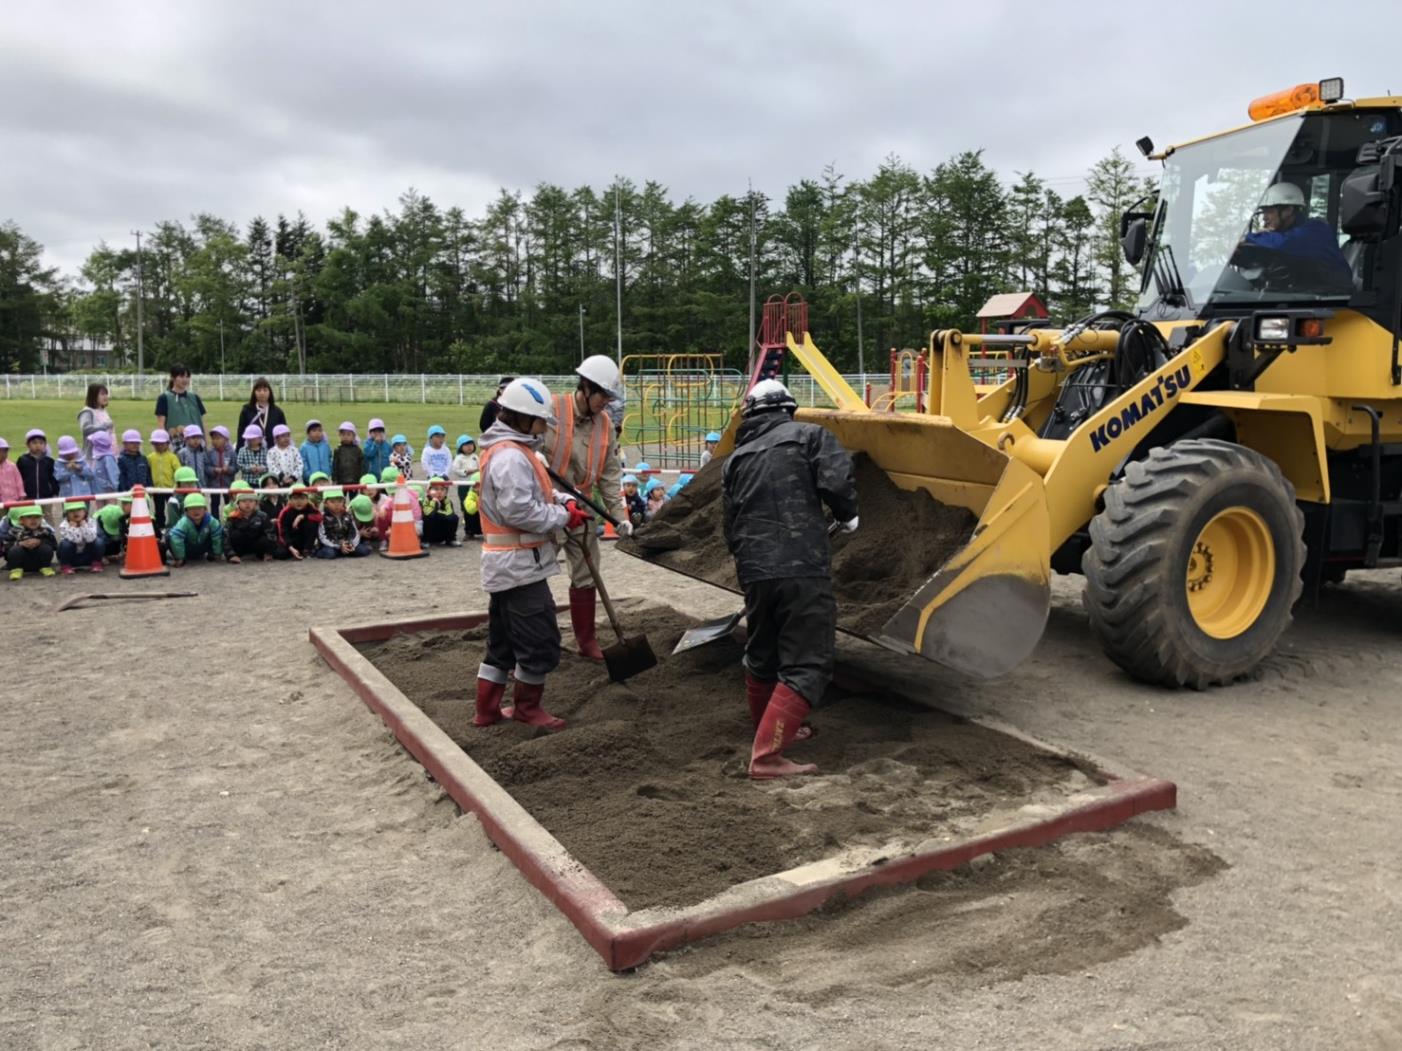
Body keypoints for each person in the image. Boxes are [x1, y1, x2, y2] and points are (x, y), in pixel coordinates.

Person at [722, 378, 858, 779]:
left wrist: (750, 561)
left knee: (763, 652)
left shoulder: (736, 458)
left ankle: (769, 730)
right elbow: (835, 479)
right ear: (788, 409)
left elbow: (730, 524)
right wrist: (848, 514)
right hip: (802, 565)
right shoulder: (810, 436)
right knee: (809, 660)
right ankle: (766, 757)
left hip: (754, 569)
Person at [473, 377, 585, 731]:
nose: (542, 427)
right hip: (520, 567)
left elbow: (536, 494)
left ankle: (487, 710)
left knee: (502, 643)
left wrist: (562, 500)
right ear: (523, 417)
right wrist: (564, 516)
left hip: (507, 566)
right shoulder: (510, 457)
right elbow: (520, 512)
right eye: (539, 421)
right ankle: (527, 708)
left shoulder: (514, 451)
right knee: (539, 640)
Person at [543, 355, 634, 661]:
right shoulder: (551, 409)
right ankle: (534, 639)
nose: (606, 403)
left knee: (586, 573)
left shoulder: (606, 424)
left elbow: (609, 475)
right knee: (534, 573)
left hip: (582, 506)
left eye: (610, 397)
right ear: (585, 386)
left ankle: (586, 639)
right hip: (545, 503)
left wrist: (621, 518)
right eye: (603, 396)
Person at [1243, 183, 1351, 281]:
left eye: (1270, 212)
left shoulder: (1315, 229)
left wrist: (1244, 237)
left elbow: (1284, 243)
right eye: (1264, 212)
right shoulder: (1283, 235)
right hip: (1303, 293)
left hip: (1332, 296)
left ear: (1288, 211)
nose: (1265, 218)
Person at [166, 492, 231, 566]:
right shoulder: (183, 522)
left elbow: (217, 536)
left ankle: (212, 554)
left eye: (199, 508)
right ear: (186, 511)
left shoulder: (211, 521)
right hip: (187, 548)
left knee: (219, 531)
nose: (196, 511)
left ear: (205, 510)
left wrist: (217, 553)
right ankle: (179, 558)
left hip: (202, 547)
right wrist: (180, 557)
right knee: (169, 535)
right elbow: (176, 538)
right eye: (192, 508)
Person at [154, 364, 207, 451]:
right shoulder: (164, 398)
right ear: (172, 377)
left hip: (197, 444)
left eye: (187, 376)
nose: (185, 379)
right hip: (176, 444)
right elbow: (161, 425)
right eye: (182, 376)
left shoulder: (195, 397)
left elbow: (202, 423)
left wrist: (206, 444)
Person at [18, 429, 59, 527]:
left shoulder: (49, 461)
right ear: (28, 445)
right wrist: (20, 494)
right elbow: (19, 478)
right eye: (34, 443)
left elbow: (53, 479)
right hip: (28, 496)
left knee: (48, 518)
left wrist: (55, 493)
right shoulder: (23, 460)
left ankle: (50, 538)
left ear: (45, 445)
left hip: (46, 497)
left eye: (41, 443)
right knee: (30, 518)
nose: (38, 445)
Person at [4, 505, 56, 580]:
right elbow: (5, 547)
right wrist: (20, 544)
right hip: (21, 562)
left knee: (46, 548)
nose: (33, 520)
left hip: (38, 562)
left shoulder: (45, 531)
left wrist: (41, 542)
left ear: (41, 519)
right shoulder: (14, 531)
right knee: (15, 550)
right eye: (29, 517)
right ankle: (16, 570)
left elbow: (54, 545)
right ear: (21, 520)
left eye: (37, 517)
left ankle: (45, 567)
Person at [224, 488, 276, 562]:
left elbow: (271, 534)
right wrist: (231, 555)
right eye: (244, 501)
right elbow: (226, 537)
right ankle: (236, 556)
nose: (247, 504)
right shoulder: (232, 517)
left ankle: (263, 555)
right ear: (238, 503)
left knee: (264, 539)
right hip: (240, 548)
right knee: (235, 535)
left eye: (251, 501)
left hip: (257, 546)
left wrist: (269, 552)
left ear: (256, 503)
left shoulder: (263, 516)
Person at [235, 378, 287, 451]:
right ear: (254, 392)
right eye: (258, 390)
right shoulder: (246, 411)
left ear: (270, 392)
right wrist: (239, 451)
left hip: (274, 452)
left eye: (265, 390)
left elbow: (284, 433)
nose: (262, 393)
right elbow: (241, 433)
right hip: (251, 451)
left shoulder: (278, 412)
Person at [315, 488, 368, 558]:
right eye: (332, 502)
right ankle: (338, 551)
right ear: (325, 503)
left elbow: (354, 531)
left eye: (340, 501)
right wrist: (339, 545)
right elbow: (322, 537)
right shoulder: (322, 517)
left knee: (363, 551)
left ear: (344, 502)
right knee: (330, 553)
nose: (337, 505)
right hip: (331, 544)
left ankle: (345, 550)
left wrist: (350, 543)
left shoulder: (348, 515)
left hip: (346, 542)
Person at [57, 501, 104, 574]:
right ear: (66, 514)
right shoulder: (63, 525)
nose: (75, 513)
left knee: (99, 541)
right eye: (71, 511)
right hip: (72, 557)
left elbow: (90, 539)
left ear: (85, 511)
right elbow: (77, 540)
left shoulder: (91, 521)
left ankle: (96, 563)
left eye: (79, 510)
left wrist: (84, 526)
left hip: (87, 555)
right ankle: (65, 566)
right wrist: (73, 528)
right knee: (65, 544)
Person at [146, 429, 180, 531]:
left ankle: (173, 525)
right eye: (156, 444)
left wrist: (176, 485)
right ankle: (160, 526)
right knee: (159, 509)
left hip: (170, 488)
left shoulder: (172, 457)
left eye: (161, 443)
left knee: (172, 508)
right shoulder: (150, 457)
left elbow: (178, 471)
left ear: (167, 443)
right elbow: (147, 472)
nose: (159, 446)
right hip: (157, 489)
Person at [275, 487, 320, 560]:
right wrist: (290, 547)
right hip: (291, 541)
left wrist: (302, 516)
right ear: (290, 500)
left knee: (312, 522)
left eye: (302, 498)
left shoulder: (310, 508)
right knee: (280, 554)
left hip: (305, 540)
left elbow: (320, 517)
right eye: (295, 498)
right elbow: (282, 532)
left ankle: (307, 550)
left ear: (307, 500)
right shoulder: (285, 512)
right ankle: (294, 551)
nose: (299, 501)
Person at [206, 426, 238, 517]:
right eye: (213, 438)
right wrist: (214, 470)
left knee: (229, 502)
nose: (215, 441)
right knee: (214, 503)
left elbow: (236, 467)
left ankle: (230, 518)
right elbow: (206, 467)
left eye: (218, 438)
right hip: (214, 484)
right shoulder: (210, 452)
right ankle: (215, 521)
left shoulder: (231, 452)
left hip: (228, 483)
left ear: (226, 439)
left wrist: (228, 470)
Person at [77, 383, 114, 461]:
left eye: (106, 394)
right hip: (93, 455)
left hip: (107, 451)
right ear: (93, 396)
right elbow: (86, 429)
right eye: (102, 394)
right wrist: (105, 426)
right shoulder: (87, 412)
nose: (106, 396)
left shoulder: (103, 411)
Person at [53, 435, 96, 500]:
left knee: (84, 510)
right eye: (67, 454)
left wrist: (80, 469)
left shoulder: (82, 461)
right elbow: (58, 477)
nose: (70, 456)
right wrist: (67, 470)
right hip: (67, 495)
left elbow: (91, 475)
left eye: (72, 453)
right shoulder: (59, 463)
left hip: (83, 494)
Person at [421, 477, 460, 547]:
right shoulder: (425, 500)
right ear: (428, 491)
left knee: (454, 517)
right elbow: (428, 514)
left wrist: (438, 513)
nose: (439, 492)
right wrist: (434, 503)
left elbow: (450, 514)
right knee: (428, 518)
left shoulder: (447, 501)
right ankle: (425, 541)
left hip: (441, 533)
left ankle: (450, 539)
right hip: (429, 532)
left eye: (442, 489)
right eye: (435, 489)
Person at [177, 426, 210, 504]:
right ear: (186, 439)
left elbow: (206, 466)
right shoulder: (182, 453)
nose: (196, 440)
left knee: (200, 503)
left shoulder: (203, 452)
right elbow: (179, 468)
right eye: (193, 438)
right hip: (187, 485)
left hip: (200, 484)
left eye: (198, 438)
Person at [95, 495, 131, 563]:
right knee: (99, 541)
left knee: (121, 538)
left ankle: (117, 554)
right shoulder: (96, 525)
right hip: (103, 542)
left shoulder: (124, 520)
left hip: (115, 546)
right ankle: (101, 556)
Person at [117, 430, 152, 494]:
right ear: (124, 444)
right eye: (132, 443)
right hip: (128, 493)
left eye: (137, 443)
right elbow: (121, 477)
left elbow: (148, 475)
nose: (135, 445)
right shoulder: (121, 460)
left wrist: (149, 488)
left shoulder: (143, 459)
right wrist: (124, 491)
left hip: (143, 492)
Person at [88, 431, 120, 496]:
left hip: (108, 489)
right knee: (100, 504)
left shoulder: (108, 458)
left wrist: (115, 486)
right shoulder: (97, 457)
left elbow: (113, 472)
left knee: (111, 505)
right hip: (98, 489)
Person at [0, 438, 23, 506]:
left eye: (5, 451)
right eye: (1, 451)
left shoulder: (12, 466)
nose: (4, 454)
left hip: (13, 500)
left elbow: (19, 482)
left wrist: (21, 495)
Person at [461, 471, 481, 540]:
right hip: (476, 520)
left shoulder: (491, 493)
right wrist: (478, 503)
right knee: (467, 510)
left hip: (488, 521)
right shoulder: (471, 494)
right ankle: (469, 532)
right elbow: (470, 510)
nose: (478, 488)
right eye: (476, 486)